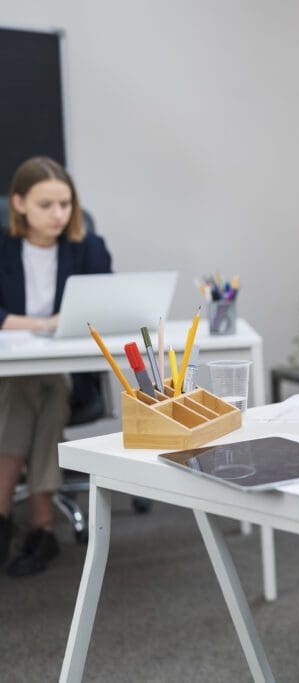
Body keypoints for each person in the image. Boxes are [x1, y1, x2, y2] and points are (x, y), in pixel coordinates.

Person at [0, 156, 112, 577]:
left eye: (65, 204)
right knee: (30, 386)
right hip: (8, 375)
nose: (59, 215)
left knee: (39, 384)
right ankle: (42, 527)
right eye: (46, 205)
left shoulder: (88, 248)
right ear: (19, 203)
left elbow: (106, 307)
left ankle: (4, 511)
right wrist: (43, 324)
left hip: (69, 376)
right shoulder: (3, 248)